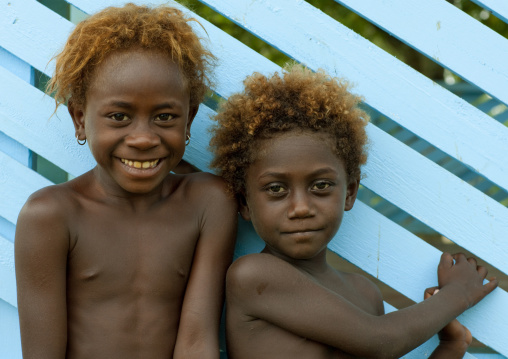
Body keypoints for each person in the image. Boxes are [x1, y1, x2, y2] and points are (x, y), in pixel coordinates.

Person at [209, 65, 497, 358]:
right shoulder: (252, 276)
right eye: (275, 190)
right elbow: (379, 341)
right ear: (244, 203)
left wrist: (450, 346)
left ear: (349, 192)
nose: (300, 208)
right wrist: (457, 294)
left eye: (320, 185)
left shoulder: (364, 293)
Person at [14, 4, 237, 359]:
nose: (143, 138)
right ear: (79, 118)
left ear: (189, 118)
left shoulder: (209, 203)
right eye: (119, 116)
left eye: (165, 116)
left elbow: (197, 340)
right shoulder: (50, 216)